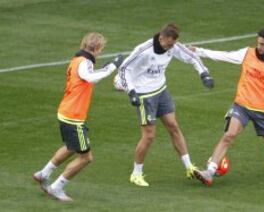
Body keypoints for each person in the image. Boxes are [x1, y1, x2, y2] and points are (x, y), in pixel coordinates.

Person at [189, 28, 264, 186]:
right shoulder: (247, 53)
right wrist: (199, 51)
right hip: (242, 106)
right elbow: (225, 55)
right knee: (229, 135)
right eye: (258, 43)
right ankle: (209, 172)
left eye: (263, 44)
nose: (259, 46)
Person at [118, 23, 214, 187]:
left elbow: (192, 56)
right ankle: (136, 174)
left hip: (161, 90)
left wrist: (204, 73)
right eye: (168, 44)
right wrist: (132, 92)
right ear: (161, 37)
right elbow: (124, 69)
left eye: (173, 44)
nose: (171, 47)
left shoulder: (173, 46)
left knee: (173, 126)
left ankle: (189, 167)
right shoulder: (144, 50)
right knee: (149, 136)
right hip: (144, 94)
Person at [33, 32, 123, 201]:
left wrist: (105, 68)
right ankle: (56, 187)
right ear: (95, 48)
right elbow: (89, 76)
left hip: (66, 112)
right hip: (73, 116)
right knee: (86, 157)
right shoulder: (84, 62)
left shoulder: (77, 61)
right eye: (101, 49)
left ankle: (43, 174)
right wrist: (111, 67)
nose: (101, 52)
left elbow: (88, 80)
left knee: (70, 147)